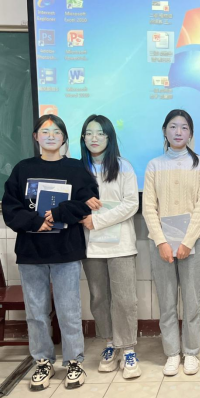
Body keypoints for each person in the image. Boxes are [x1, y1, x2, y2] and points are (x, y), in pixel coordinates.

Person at [2, 114, 98, 391]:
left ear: (64, 137)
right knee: (36, 312)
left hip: (66, 250)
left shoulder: (76, 168)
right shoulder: (23, 169)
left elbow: (88, 202)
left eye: (57, 131)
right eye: (45, 131)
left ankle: (74, 361)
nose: (51, 136)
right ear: (36, 137)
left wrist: (57, 213)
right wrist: (36, 222)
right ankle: (43, 361)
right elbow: (10, 208)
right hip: (31, 252)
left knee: (69, 310)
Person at [143, 109, 200, 376]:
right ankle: (172, 353)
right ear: (164, 131)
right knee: (167, 301)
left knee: (192, 302)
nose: (178, 132)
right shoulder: (154, 165)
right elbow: (148, 207)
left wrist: (187, 242)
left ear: (191, 133)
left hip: (193, 243)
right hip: (161, 245)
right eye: (173, 127)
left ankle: (191, 352)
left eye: (184, 127)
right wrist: (161, 242)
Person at [79, 115, 141, 379]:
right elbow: (70, 204)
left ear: (109, 137)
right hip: (90, 247)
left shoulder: (123, 166)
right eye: (89, 133)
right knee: (99, 298)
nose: (94, 138)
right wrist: (83, 210)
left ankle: (127, 348)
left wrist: (98, 220)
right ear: (83, 138)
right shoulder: (77, 169)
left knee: (125, 299)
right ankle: (109, 343)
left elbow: (131, 204)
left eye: (100, 133)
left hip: (121, 246)